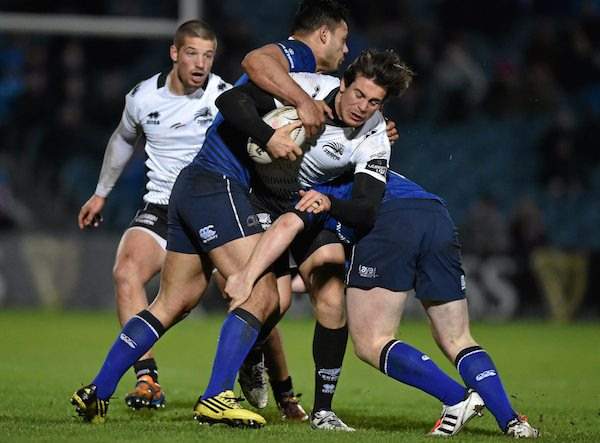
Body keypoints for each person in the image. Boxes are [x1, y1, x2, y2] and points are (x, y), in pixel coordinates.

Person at [70, 0, 356, 427]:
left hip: (192, 187)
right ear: (324, 34)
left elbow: (266, 99)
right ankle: (217, 395)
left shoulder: (310, 80)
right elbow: (249, 73)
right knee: (258, 292)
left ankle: (97, 389)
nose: (346, 50)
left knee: (174, 302)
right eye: (344, 40)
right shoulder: (293, 57)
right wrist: (271, 134)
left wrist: (371, 126)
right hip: (216, 184)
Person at [228, 170, 540, 438]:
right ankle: (513, 421)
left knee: (371, 342)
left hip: (391, 220)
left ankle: (457, 398)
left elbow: (286, 227)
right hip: (435, 214)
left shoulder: (316, 184)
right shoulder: (370, 164)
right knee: (458, 338)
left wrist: (247, 275)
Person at [219, 48, 413, 430]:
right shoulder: (305, 88)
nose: (363, 107)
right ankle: (239, 373)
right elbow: (229, 99)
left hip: (308, 203)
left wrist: (327, 203)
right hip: (254, 197)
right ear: (342, 83)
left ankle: (323, 410)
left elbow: (366, 209)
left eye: (375, 102)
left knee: (330, 295)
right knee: (271, 301)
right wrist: (267, 134)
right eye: (358, 94)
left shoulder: (375, 138)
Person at [76, 19, 230, 410]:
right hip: (161, 207)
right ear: (174, 53)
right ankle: (146, 380)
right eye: (192, 53)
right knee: (126, 272)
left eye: (208, 56)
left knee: (247, 293)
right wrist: (101, 194)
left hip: (211, 211)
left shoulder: (224, 97)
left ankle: (269, 378)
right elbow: (123, 139)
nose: (200, 64)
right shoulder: (142, 97)